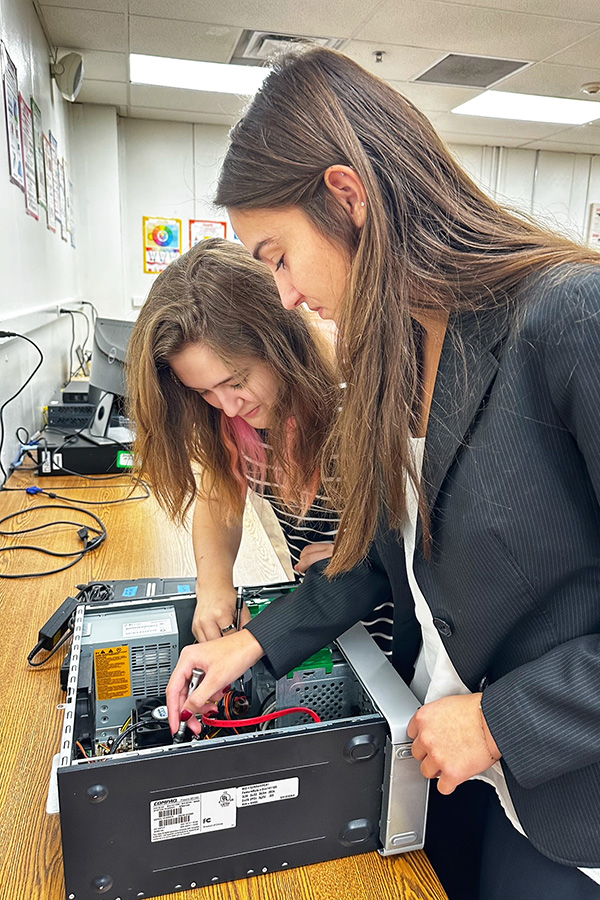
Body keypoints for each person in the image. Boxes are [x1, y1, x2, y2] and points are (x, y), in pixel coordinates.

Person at [166, 48, 600, 900]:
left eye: (279, 255)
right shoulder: (395, 351)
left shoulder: (569, 316)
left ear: (348, 195)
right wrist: (256, 643)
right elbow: (383, 556)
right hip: (449, 760)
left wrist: (500, 721)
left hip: (563, 798)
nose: (284, 296)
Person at [127, 238, 392, 651]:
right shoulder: (232, 422)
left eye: (236, 381)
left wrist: (368, 553)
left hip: (391, 637)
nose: (229, 407)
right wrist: (214, 584)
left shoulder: (358, 405)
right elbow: (219, 494)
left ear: (279, 343)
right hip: (312, 624)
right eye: (204, 392)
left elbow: (427, 538)